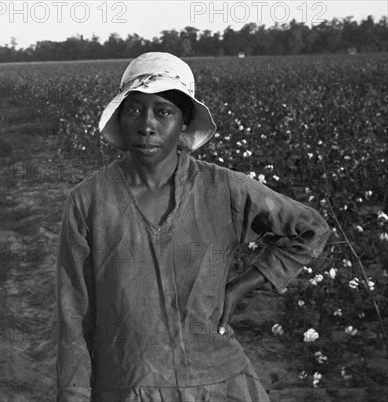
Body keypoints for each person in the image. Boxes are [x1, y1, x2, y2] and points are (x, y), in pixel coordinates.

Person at [56, 52, 330, 402]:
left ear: (185, 122)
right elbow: (74, 312)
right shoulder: (88, 201)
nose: (147, 124)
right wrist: (73, 393)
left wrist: (239, 287)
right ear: (121, 117)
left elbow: (310, 230)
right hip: (128, 381)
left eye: (164, 111)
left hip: (216, 379)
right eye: (135, 109)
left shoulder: (225, 189)